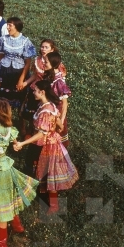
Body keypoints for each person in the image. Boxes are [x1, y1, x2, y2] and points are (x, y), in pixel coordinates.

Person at [0, 98, 38, 247]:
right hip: (7, 166)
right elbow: (13, 137)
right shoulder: (6, 127)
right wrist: (16, 144)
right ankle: (17, 226)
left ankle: (1, 244)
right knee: (8, 197)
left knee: (0, 206)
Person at [13, 80, 78, 215]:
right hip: (51, 143)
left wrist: (22, 143)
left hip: (45, 147)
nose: (33, 92)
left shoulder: (45, 111)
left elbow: (40, 134)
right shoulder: (51, 106)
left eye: (35, 90)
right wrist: (54, 130)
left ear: (42, 92)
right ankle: (38, 193)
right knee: (44, 171)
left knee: (48, 173)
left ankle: (52, 205)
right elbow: (60, 125)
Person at [17, 38, 67, 138]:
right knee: (32, 111)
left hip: (47, 91)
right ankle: (30, 130)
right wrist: (25, 83)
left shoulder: (56, 65)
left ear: (52, 50)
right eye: (42, 47)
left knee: (42, 111)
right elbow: (35, 75)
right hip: (37, 89)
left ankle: (40, 133)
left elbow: (59, 83)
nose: (43, 49)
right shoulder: (38, 60)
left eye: (46, 47)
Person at [0, 17, 36, 108]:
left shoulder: (25, 41)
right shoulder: (3, 39)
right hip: (4, 70)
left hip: (18, 72)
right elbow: (0, 56)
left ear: (17, 27)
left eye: (10, 25)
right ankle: (0, 114)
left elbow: (28, 63)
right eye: (7, 25)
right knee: (0, 94)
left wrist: (21, 79)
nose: (7, 27)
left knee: (17, 95)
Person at [43, 51, 71, 147]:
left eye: (46, 62)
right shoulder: (48, 75)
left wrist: (61, 121)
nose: (43, 63)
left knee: (56, 141)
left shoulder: (59, 82)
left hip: (56, 115)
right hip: (47, 110)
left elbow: (64, 104)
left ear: (53, 63)